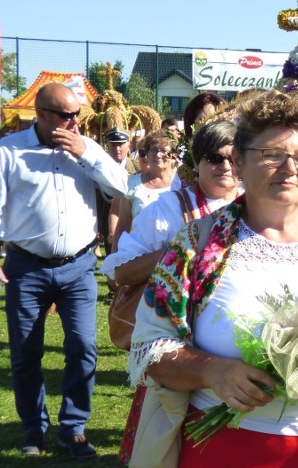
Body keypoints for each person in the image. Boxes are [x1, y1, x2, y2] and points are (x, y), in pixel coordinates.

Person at [128, 90, 298, 467]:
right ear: (237, 160)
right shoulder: (196, 244)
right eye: (272, 155)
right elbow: (149, 348)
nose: (289, 169)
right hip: (222, 448)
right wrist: (211, 369)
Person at [0, 82, 128, 459]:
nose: (74, 122)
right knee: (26, 353)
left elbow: (124, 186)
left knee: (84, 348)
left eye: (77, 115)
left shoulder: (85, 148)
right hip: (26, 267)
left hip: (78, 266)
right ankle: (33, 430)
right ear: (40, 114)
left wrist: (88, 152)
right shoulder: (9, 150)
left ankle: (73, 429)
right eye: (65, 115)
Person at [101, 120, 241, 464]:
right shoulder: (167, 209)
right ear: (196, 163)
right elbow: (120, 271)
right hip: (178, 349)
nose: (225, 166)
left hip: (236, 347)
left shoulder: (254, 205)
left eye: (233, 158)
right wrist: (182, 250)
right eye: (214, 158)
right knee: (167, 441)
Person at [111, 130, 182, 253]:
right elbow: (123, 226)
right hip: (140, 256)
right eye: (154, 150)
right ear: (147, 154)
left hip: (175, 256)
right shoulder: (132, 184)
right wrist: (114, 259)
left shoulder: (183, 183)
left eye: (164, 151)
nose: (158, 155)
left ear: (174, 155)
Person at [98, 127, 139, 257]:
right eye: (113, 144)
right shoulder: (99, 168)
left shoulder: (138, 167)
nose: (117, 149)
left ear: (129, 144)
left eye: (120, 144)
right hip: (106, 221)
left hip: (133, 221)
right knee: (112, 259)